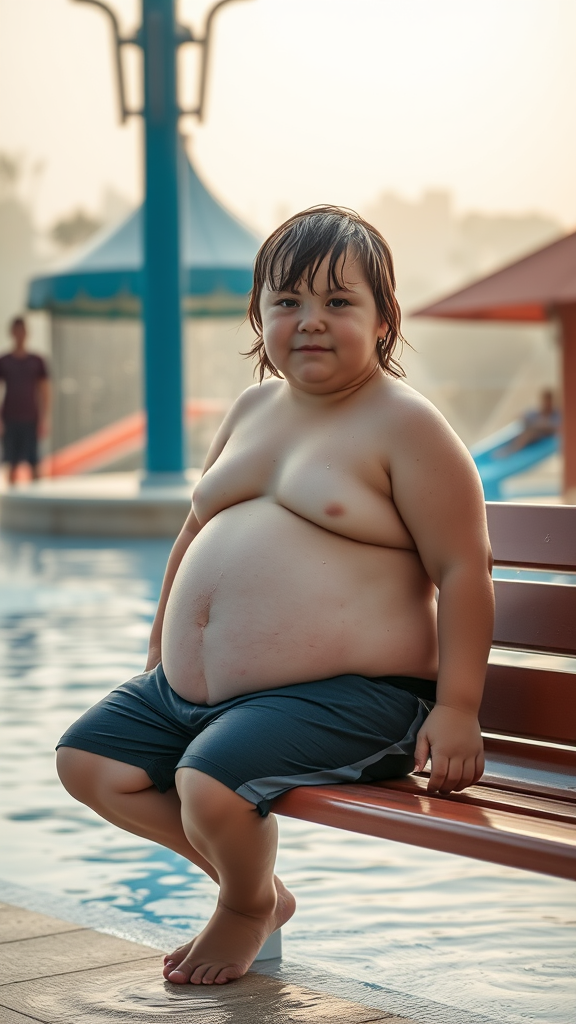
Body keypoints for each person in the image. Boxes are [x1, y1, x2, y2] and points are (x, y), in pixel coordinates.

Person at [56, 207, 494, 987]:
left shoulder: (406, 427)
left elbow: (465, 569)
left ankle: (242, 906)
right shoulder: (253, 410)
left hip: (360, 697)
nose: (310, 322)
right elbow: (194, 531)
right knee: (89, 762)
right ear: (258, 316)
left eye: (338, 302)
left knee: (207, 783)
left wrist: (458, 706)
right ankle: (254, 886)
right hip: (204, 695)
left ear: (384, 320)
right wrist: (164, 645)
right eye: (287, 302)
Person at [0, 316, 50, 484]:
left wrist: (44, 418)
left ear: (27, 333)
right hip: (10, 417)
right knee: (11, 464)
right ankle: (11, 505)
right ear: (12, 333)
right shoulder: (4, 361)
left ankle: (39, 501)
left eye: (22, 330)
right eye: (17, 331)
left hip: (31, 417)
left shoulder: (36, 361)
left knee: (34, 463)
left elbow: (45, 390)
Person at [496, 389, 561, 457]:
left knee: (531, 433)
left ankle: (512, 451)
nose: (546, 403)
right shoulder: (537, 412)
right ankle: (510, 449)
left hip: (543, 436)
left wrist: (540, 425)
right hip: (532, 430)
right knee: (525, 432)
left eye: (548, 401)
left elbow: (554, 427)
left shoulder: (556, 414)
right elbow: (521, 417)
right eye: (545, 401)